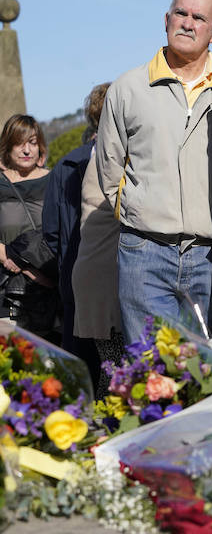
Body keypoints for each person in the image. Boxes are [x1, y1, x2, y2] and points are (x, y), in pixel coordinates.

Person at [96, 0, 212, 343]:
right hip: (144, 253)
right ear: (166, 19)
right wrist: (140, 215)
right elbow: (109, 173)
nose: (187, 23)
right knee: (148, 372)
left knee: (210, 371)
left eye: (198, 17)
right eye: (180, 14)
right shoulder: (128, 88)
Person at [42, 83, 111, 385]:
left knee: (81, 372)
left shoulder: (65, 164)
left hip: (76, 272)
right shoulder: (71, 164)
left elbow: (52, 231)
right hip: (106, 273)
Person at [70, 84, 125, 391]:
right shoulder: (109, 156)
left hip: (97, 274)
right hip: (106, 277)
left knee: (117, 372)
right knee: (120, 375)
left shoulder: (99, 152)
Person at [0, 115, 56, 336]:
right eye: (19, 143)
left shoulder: (55, 181)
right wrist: (20, 264)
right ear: (7, 146)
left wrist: (44, 273)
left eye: (32, 143)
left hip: (52, 287)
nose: (26, 150)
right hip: (7, 287)